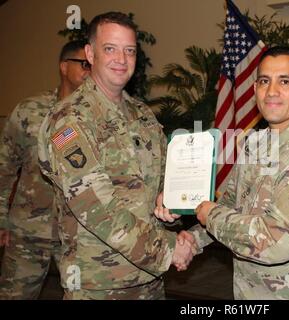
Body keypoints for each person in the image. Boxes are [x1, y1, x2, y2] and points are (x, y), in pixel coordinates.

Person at [155, 46, 289, 299]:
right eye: (264, 81)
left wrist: (211, 216)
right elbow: (232, 205)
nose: (272, 91)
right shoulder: (257, 145)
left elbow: (274, 242)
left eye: (285, 81)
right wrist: (194, 238)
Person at [37, 12, 195, 300]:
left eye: (130, 50)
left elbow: (159, 185)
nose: (121, 59)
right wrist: (167, 250)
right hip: (98, 284)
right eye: (110, 48)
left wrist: (169, 205)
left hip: (148, 280)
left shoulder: (143, 115)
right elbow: (95, 208)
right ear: (90, 53)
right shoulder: (70, 119)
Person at [0, 40, 90, 299]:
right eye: (84, 64)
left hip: (77, 236)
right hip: (28, 232)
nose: (90, 70)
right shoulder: (30, 111)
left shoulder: (97, 117)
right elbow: (5, 168)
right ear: (64, 66)